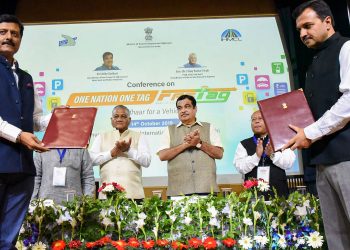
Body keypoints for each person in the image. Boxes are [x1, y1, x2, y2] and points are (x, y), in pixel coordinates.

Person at [282, 1, 350, 248]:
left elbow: (349, 102)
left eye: (308, 26)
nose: (302, 34)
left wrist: (310, 132)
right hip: (321, 161)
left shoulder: (347, 48)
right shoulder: (314, 62)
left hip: (346, 157)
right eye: (299, 29)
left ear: (328, 22)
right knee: (336, 238)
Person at [0, 14, 50, 249]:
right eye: (3, 32)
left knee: (8, 240)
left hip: (23, 169)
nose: (9, 37)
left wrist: (62, 118)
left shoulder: (27, 78)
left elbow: (35, 120)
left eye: (15, 33)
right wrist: (19, 136)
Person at [158, 95, 223, 197]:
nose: (183, 110)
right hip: (178, 191)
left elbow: (219, 154)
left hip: (206, 189)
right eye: (179, 108)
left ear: (195, 109)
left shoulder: (209, 127)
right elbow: (162, 156)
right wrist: (185, 145)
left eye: (187, 106)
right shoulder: (169, 130)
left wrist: (199, 143)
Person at [89, 105, 151, 200]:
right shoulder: (101, 137)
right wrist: (111, 153)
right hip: (107, 195)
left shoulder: (139, 136)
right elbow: (91, 161)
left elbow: (146, 161)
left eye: (123, 116)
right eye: (116, 116)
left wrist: (128, 150)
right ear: (112, 120)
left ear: (129, 120)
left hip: (133, 195)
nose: (119, 119)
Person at [233, 110, 296, 198]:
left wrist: (272, 155)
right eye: (253, 119)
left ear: (268, 121)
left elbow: (289, 163)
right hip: (253, 194)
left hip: (279, 193)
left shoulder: (281, 140)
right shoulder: (244, 144)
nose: (256, 121)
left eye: (260, 118)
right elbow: (240, 167)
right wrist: (256, 156)